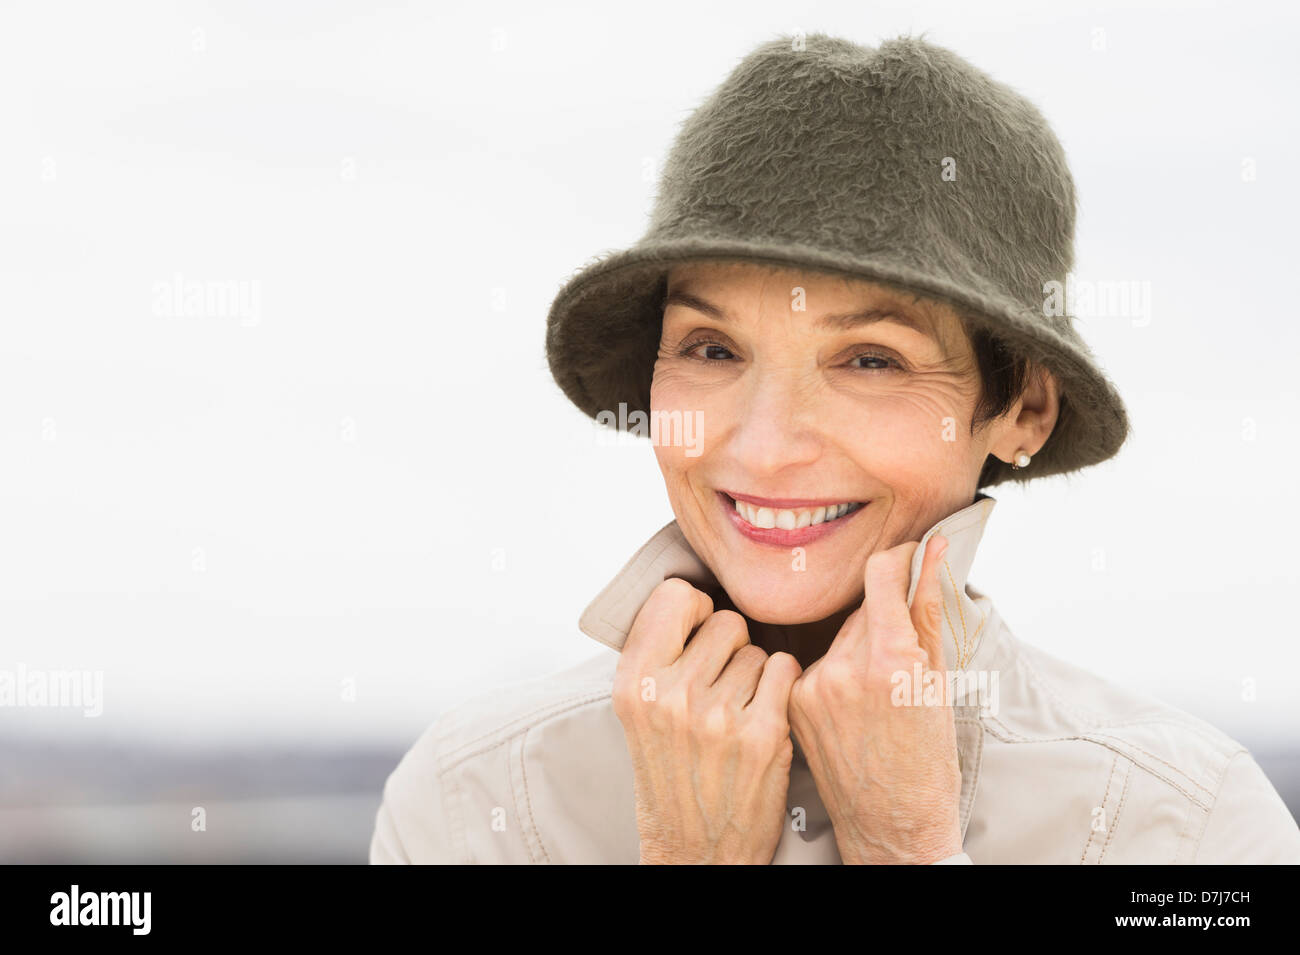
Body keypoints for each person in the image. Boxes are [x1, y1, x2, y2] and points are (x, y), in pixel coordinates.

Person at [370, 32, 1300, 864]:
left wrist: (909, 852)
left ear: (1022, 407)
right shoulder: (467, 804)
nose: (767, 449)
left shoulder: (1187, 830)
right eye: (711, 348)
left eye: (869, 360)